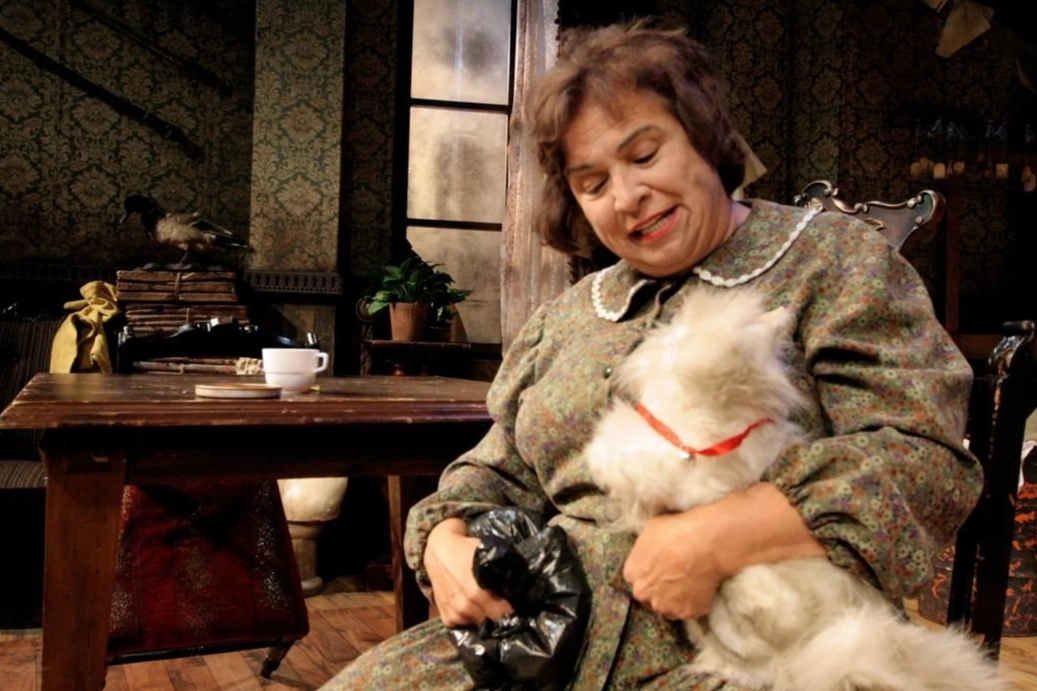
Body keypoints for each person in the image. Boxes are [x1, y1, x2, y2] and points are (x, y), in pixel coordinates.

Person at [320, 21, 979, 691]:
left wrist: (716, 537)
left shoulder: (831, 262)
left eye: (644, 154)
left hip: (758, 650)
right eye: (592, 183)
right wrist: (445, 539)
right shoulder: (568, 316)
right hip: (543, 643)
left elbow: (921, 459)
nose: (626, 196)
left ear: (703, 136)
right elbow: (498, 469)